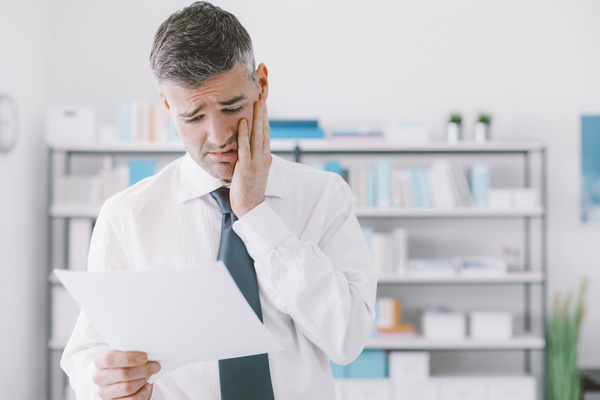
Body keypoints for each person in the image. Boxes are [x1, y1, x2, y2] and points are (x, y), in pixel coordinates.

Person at [60, 2, 376, 399]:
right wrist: (103, 382)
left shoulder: (325, 196)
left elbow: (347, 339)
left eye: (233, 107)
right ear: (167, 106)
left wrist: (256, 216)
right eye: (193, 117)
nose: (218, 135)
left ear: (261, 84)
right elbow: (87, 354)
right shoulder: (127, 216)